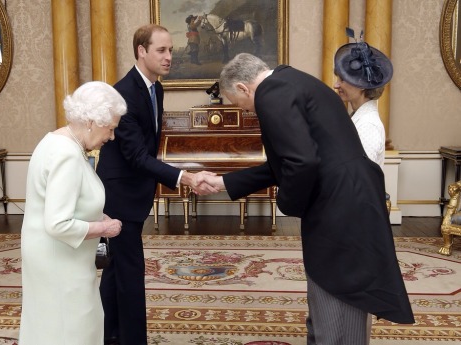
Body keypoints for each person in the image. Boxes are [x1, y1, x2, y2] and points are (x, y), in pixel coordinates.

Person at [199, 53, 415, 345]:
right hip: (349, 198)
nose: (247, 110)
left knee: (339, 294)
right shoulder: (292, 80)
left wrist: (289, 204)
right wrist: (224, 181)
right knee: (330, 291)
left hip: (340, 206)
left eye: (240, 104)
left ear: (243, 88)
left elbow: (302, 163)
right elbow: (289, 162)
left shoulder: (270, 94)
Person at [96, 24, 217, 345]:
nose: (169, 57)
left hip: (135, 189)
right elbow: (136, 155)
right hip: (119, 193)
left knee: (116, 270)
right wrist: (186, 177)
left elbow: (149, 148)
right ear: (141, 51)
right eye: (161, 50)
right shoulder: (123, 93)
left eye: (171, 50)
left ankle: (108, 334)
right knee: (130, 272)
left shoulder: (155, 88)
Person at [19, 81, 127, 345]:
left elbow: (65, 201)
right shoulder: (66, 154)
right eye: (110, 128)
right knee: (70, 328)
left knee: (52, 326)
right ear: (91, 121)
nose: (111, 136)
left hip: (54, 257)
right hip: (59, 262)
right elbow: (58, 223)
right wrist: (105, 228)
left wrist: (96, 216)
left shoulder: (55, 141)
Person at [333, 35, 392, 169]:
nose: (336, 85)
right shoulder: (359, 118)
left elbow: (361, 177)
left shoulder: (368, 125)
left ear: (361, 84)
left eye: (342, 80)